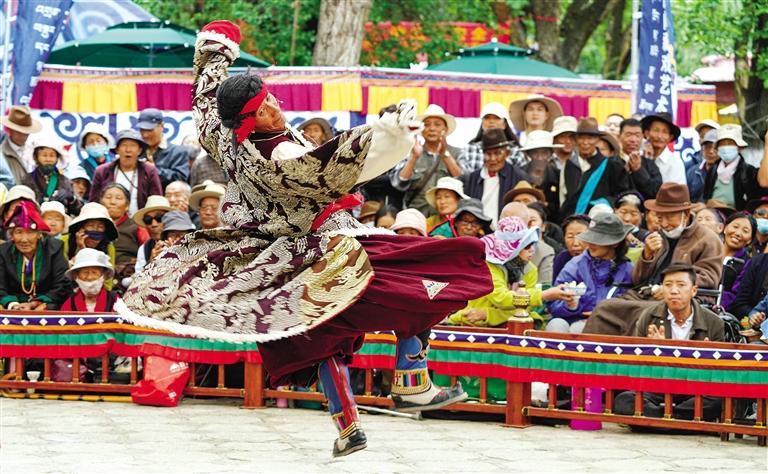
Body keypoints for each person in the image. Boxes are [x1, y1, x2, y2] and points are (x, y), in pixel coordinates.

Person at [117, 20, 493, 457]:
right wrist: (388, 132)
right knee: (431, 271)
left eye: (269, 100)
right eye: (261, 110)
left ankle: (353, 425)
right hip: (327, 249)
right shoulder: (279, 157)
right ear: (246, 121)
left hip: (281, 259)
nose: (272, 109)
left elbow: (206, 95)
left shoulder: (221, 132)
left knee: (320, 336)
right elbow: (331, 165)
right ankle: (410, 380)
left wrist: (215, 49)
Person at [583, 183, 723, 336]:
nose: (664, 224)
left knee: (643, 314)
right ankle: (590, 352)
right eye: (660, 218)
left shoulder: (707, 239)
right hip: (646, 294)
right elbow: (637, 279)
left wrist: (670, 287)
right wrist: (647, 255)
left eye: (669, 217)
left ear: (686, 213)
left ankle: (632, 352)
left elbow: (709, 278)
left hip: (682, 298)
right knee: (604, 308)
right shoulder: (658, 235)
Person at [614, 263, 724, 421]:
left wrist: (703, 359)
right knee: (624, 400)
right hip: (658, 386)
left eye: (681, 285)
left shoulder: (714, 322)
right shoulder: (648, 316)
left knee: (716, 402)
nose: (674, 291)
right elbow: (637, 366)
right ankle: (679, 421)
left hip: (694, 386)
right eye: (668, 285)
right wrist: (654, 352)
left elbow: (717, 374)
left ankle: (657, 420)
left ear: (693, 290)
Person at [447, 216, 544, 327]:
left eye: (533, 244)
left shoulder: (530, 269)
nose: (532, 250)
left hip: (506, 322)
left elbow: (525, 308)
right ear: (511, 249)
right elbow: (501, 299)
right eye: (526, 246)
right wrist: (543, 295)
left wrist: (488, 314)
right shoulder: (488, 266)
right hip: (472, 323)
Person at [546, 213, 633, 333]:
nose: (591, 244)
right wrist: (571, 306)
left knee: (579, 329)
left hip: (609, 325)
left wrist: (603, 314)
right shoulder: (576, 264)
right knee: (556, 325)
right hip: (570, 318)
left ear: (615, 243)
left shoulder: (628, 269)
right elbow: (553, 304)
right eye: (590, 239)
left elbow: (631, 307)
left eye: (597, 240)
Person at [389, 104, 462, 216]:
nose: (432, 128)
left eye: (437, 124)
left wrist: (445, 155)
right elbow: (398, 183)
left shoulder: (458, 153)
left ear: (445, 129)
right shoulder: (410, 152)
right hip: (416, 217)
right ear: (421, 129)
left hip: (448, 219)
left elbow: (463, 180)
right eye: (427, 124)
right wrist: (414, 158)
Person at [0, 201, 70, 310]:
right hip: (13, 306)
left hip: (45, 304)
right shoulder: (4, 252)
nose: (24, 239)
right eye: (19, 232)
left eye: (30, 232)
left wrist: (35, 304)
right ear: (12, 235)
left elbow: (62, 284)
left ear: (39, 234)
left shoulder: (54, 248)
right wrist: (13, 305)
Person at [560, 118, 631, 217]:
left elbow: (622, 195)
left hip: (598, 219)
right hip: (570, 220)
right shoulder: (569, 164)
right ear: (576, 140)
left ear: (597, 139)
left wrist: (603, 203)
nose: (585, 142)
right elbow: (562, 197)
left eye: (590, 138)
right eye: (581, 138)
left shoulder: (611, 165)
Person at [462, 128, 530, 225]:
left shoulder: (519, 177)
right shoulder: (473, 178)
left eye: (497, 153)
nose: (492, 159)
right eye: (488, 154)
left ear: (507, 153)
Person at [90, 129, 163, 215]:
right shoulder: (102, 171)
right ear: (117, 149)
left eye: (133, 145)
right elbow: (93, 203)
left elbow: (156, 201)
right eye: (124, 145)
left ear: (139, 150)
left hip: (140, 221)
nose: (128, 150)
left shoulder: (150, 171)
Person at [703, 124, 766, 210]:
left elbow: (753, 203)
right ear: (717, 148)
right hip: (712, 213)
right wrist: (707, 203)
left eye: (730, 143)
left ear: (739, 147)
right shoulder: (713, 170)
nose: (725, 147)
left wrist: (728, 209)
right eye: (722, 144)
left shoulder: (749, 172)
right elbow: (705, 197)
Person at [100, 184, 149, 288]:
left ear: (127, 206)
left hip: (127, 279)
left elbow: (147, 250)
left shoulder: (137, 227)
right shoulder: (94, 226)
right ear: (101, 202)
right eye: (108, 197)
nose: (112, 202)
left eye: (118, 198)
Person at [457, 102, 524, 174]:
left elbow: (522, 176)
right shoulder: (469, 148)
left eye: (496, 118)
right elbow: (462, 175)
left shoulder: (516, 150)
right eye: (487, 118)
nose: (491, 121)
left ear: (504, 124)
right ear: (482, 123)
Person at [137, 108, 190, 187]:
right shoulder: (137, 152)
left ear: (161, 126)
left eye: (149, 130)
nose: (145, 135)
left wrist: (154, 170)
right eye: (142, 130)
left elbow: (181, 179)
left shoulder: (178, 152)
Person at [542, 116, 579, 222]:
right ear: (554, 139)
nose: (568, 141)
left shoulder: (582, 162)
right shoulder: (544, 161)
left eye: (572, 137)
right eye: (563, 137)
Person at [61, 248, 118, 312]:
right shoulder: (69, 304)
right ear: (76, 276)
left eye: (94, 272)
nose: (89, 277)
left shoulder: (115, 301)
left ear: (103, 275)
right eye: (85, 272)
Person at [619, 118, 662, 200]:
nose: (633, 140)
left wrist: (638, 170)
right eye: (628, 135)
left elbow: (656, 191)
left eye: (637, 135)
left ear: (642, 137)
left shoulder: (649, 163)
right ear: (619, 136)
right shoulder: (612, 161)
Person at [1, 105, 42, 186]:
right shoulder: (2, 153)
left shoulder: (34, 150)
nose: (23, 136)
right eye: (19, 132)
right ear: (10, 130)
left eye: (26, 132)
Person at [640, 113, 686, 185]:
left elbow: (676, 190)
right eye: (656, 130)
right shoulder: (638, 156)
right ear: (646, 133)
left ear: (670, 137)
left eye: (664, 132)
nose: (659, 136)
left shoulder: (675, 162)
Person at [23, 139, 72, 204]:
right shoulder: (28, 179)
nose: (48, 159)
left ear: (57, 158)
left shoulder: (64, 180)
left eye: (52, 156)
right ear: (35, 157)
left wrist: (72, 199)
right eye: (44, 155)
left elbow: (78, 207)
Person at [132, 195, 173, 274]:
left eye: (159, 218)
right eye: (148, 220)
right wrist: (150, 263)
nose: (154, 224)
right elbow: (138, 278)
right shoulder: (144, 249)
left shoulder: (185, 240)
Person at [553, 214, 590, 280]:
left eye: (581, 236)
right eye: (570, 237)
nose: (575, 243)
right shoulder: (562, 258)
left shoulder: (600, 258)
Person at [687, 129, 718, 202]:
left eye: (715, 148)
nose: (711, 151)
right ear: (702, 149)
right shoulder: (692, 172)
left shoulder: (726, 172)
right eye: (708, 147)